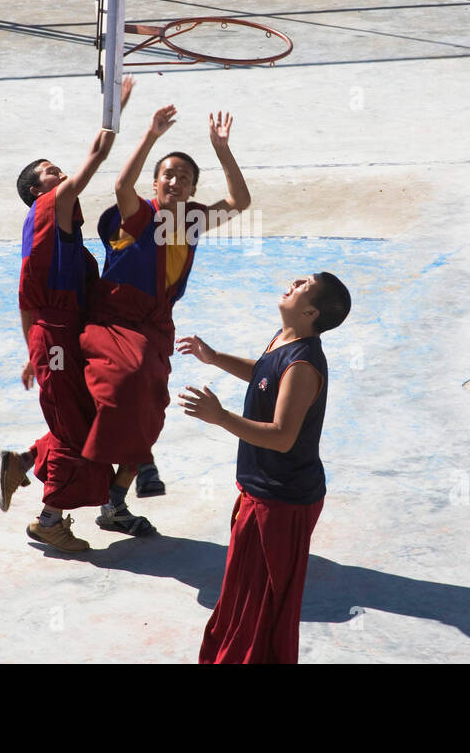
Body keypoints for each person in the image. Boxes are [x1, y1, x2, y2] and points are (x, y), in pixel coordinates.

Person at [80, 106, 251, 536]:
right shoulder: (140, 216)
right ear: (155, 183)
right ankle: (141, 466)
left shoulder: (192, 220)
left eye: (185, 178)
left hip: (156, 326)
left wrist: (221, 149)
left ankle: (116, 499)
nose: (175, 182)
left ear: (194, 187)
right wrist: (151, 135)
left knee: (154, 404)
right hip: (114, 320)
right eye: (167, 175)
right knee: (131, 381)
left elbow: (240, 202)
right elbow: (121, 184)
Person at [178, 271, 352, 664]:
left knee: (260, 610)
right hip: (259, 493)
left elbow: (281, 436)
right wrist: (215, 357)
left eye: (303, 284)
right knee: (241, 599)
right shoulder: (284, 338)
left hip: (283, 503)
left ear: (309, 311)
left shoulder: (304, 365)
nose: (293, 281)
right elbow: (262, 375)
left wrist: (220, 416)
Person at [0, 78, 133, 554]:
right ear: (40, 190)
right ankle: (49, 521)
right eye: (53, 172)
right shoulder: (50, 207)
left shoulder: (55, 229)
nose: (62, 175)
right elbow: (93, 159)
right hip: (56, 334)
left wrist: (31, 349)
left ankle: (25, 461)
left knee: (82, 418)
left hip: (55, 335)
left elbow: (24, 300)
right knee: (81, 431)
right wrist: (114, 114)